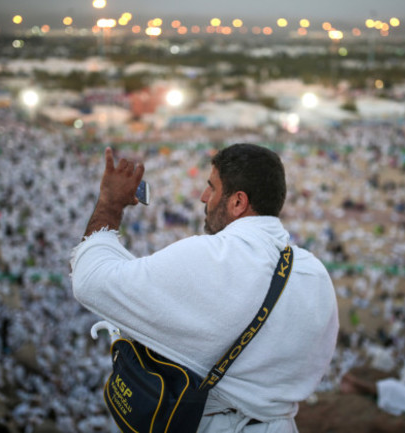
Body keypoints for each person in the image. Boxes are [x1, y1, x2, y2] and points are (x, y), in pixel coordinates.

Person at [70, 144, 339, 432]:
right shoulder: (316, 275)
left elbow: (90, 280)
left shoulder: (210, 256)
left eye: (211, 187)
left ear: (238, 202)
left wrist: (110, 203)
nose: (203, 197)